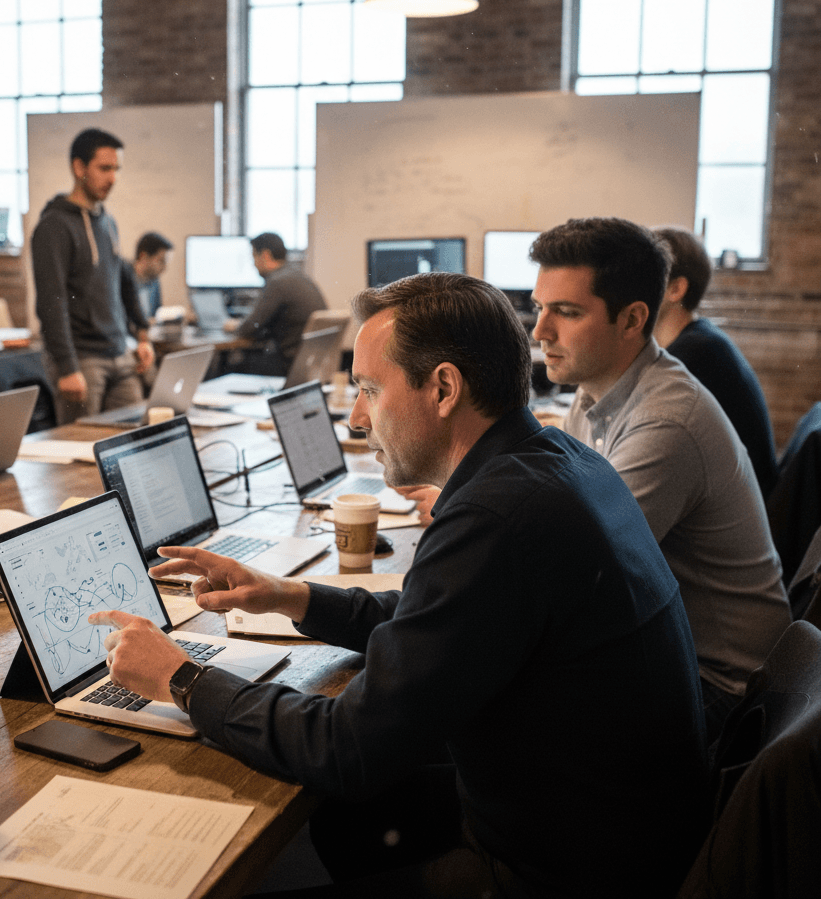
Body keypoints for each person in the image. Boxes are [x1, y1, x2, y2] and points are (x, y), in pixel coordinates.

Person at [90, 271, 709, 899]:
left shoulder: (496, 518)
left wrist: (181, 677)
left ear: (443, 387)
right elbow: (444, 616)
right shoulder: (557, 462)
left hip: (557, 872)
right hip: (613, 831)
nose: (357, 418)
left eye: (368, 390)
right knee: (340, 819)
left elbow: (345, 748)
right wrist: (289, 596)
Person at [529, 217, 790, 740]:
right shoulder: (598, 390)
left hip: (721, 688)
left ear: (632, 319)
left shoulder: (667, 421)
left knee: (497, 713)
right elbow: (564, 512)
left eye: (567, 312)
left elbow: (579, 573)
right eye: (540, 308)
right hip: (666, 650)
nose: (540, 332)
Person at [31, 128, 156, 423]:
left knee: (134, 439)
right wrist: (67, 367)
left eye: (116, 169)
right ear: (79, 167)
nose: (112, 178)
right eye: (104, 168)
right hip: (82, 360)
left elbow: (124, 279)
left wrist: (142, 333)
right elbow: (51, 300)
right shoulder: (54, 227)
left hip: (118, 353)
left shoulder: (107, 221)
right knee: (80, 453)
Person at [654, 226, 778, 497]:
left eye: (645, 277)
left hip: (737, 508)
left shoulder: (696, 353)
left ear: (676, 289)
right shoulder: (699, 340)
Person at [223, 231, 326, 375]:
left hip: (287, 365)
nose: (253, 264)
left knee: (227, 366)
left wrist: (234, 325)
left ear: (264, 255)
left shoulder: (277, 282)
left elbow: (249, 328)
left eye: (253, 256)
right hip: (307, 363)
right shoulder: (297, 276)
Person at [133, 231, 173, 322]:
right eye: (161, 261)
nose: (165, 268)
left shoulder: (154, 282)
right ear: (143, 256)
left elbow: (156, 315)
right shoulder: (123, 280)